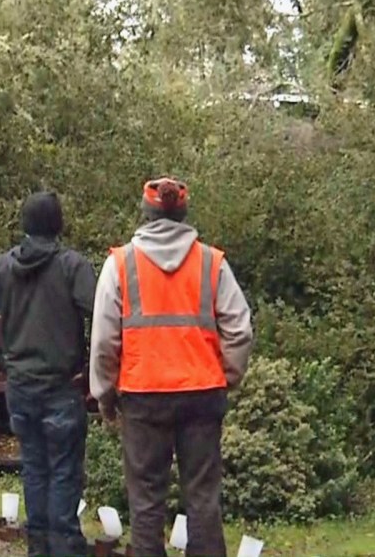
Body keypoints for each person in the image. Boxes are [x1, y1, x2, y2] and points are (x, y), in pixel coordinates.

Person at [89, 177, 253, 557]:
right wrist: (227, 376)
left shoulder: (120, 264)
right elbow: (240, 330)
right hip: (202, 394)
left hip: (143, 397)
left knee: (146, 505)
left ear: (145, 214)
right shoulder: (212, 263)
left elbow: (103, 341)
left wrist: (104, 394)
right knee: (203, 502)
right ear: (184, 213)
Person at [0, 191, 97, 557]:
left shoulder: (1, 267)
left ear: (24, 224)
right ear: (59, 224)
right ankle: (66, 546)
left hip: (19, 385)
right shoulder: (73, 267)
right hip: (60, 385)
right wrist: (95, 370)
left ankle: (38, 546)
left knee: (34, 466)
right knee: (65, 470)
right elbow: (101, 314)